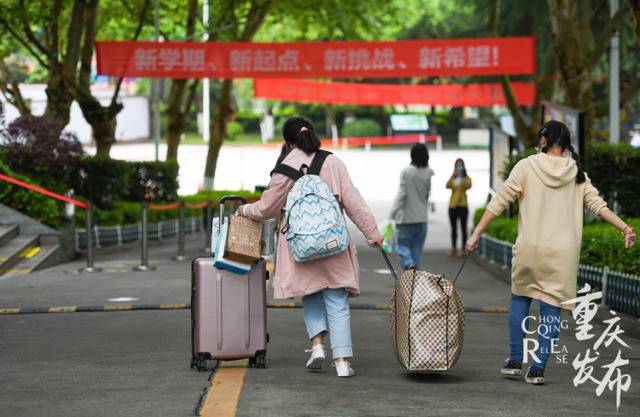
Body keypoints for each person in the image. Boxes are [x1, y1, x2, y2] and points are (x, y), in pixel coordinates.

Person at [467, 120, 636, 385]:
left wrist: (476, 233)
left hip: (530, 249)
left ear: (545, 139)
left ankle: (514, 360)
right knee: (550, 309)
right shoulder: (577, 172)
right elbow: (598, 205)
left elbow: (500, 200)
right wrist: (624, 227)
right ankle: (537, 368)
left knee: (520, 300)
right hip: (562, 254)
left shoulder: (526, 166)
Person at [238, 117, 383, 378]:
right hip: (333, 241)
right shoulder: (333, 162)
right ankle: (342, 362)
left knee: (311, 294)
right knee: (337, 300)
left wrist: (244, 209)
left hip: (300, 244)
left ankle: (317, 347)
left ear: (288, 142)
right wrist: (372, 233)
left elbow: (265, 208)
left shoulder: (284, 168)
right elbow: (354, 202)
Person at [389, 143, 434, 270]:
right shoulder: (428, 172)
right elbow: (426, 195)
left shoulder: (406, 171)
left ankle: (408, 264)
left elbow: (401, 195)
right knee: (417, 253)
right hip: (422, 219)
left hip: (406, 219)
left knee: (401, 247)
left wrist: (392, 214)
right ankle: (415, 283)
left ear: (412, 155)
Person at [446, 158, 472, 257]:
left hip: (463, 206)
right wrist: (454, 175)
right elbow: (447, 185)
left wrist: (462, 176)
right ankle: (453, 248)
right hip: (452, 206)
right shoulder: (453, 178)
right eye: (457, 165)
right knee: (453, 228)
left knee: (463, 228)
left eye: (461, 165)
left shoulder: (467, 178)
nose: (459, 167)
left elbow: (469, 185)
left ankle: (462, 249)